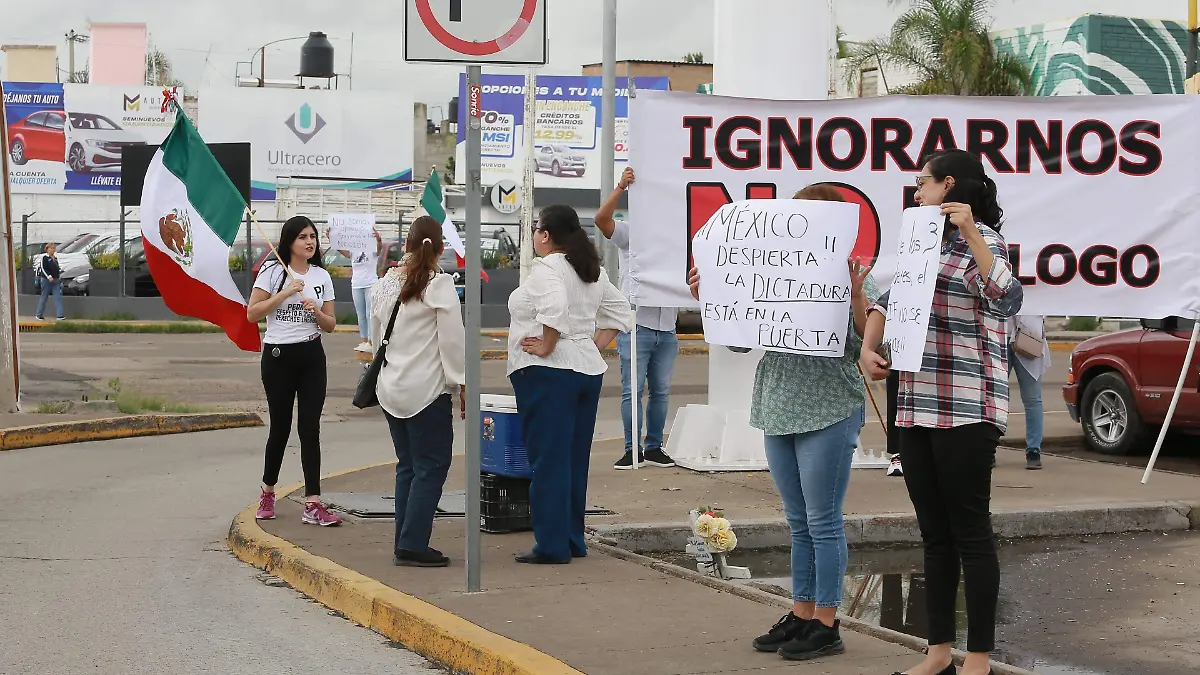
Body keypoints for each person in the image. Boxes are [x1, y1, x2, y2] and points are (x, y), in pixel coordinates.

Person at [687, 185, 879, 662]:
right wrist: (711, 294)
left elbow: (865, 346)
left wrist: (856, 293)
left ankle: (827, 622)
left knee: (823, 520)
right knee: (798, 521)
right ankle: (802, 611)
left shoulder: (855, 275)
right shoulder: (769, 272)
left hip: (829, 405)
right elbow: (737, 339)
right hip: (778, 404)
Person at [861, 149, 1023, 675]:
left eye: (922, 183)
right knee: (933, 533)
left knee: (970, 531)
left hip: (966, 405)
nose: (915, 192)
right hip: (913, 406)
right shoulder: (919, 241)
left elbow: (1006, 295)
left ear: (949, 185)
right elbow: (888, 298)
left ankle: (977, 657)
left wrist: (973, 233)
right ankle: (937, 653)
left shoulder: (989, 243)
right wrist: (869, 344)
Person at [506, 205, 634, 563]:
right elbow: (622, 314)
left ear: (546, 235)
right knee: (574, 460)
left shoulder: (547, 268)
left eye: (536, 229)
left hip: (548, 374)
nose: (534, 235)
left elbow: (555, 306)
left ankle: (550, 545)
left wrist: (548, 344)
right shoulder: (590, 270)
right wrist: (590, 344)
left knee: (548, 461)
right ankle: (571, 540)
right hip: (585, 372)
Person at [371, 216, 466, 568]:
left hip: (391, 387)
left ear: (406, 245)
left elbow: (376, 336)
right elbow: (453, 343)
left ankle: (404, 539)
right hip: (426, 391)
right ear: (440, 248)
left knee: (408, 466)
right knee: (432, 465)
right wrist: (461, 384)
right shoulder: (439, 286)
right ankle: (412, 544)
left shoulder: (386, 284)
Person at [247, 215, 341, 527]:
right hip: (278, 357)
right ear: (290, 242)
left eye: (312, 236)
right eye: (303, 237)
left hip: (311, 356)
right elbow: (252, 313)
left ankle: (313, 503)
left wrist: (317, 313)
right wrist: (285, 293)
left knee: (309, 428)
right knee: (281, 427)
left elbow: (331, 325)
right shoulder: (273, 271)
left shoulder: (321, 276)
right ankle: (267, 492)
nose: (310, 242)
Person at [594, 167, 679, 470]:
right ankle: (632, 449)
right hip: (636, 322)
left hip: (667, 326)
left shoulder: (676, 236)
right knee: (633, 389)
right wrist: (620, 188)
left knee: (661, 391)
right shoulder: (633, 231)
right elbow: (601, 221)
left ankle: (653, 447)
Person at [1008, 315, 1049, 470]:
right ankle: (990, 450)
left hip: (1028, 334)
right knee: (993, 399)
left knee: (1032, 399)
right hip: (997, 333)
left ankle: (1033, 450)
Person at [341, 228, 383, 353]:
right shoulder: (354, 250)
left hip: (370, 283)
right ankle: (363, 341)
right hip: (356, 284)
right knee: (361, 314)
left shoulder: (372, 249)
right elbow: (344, 252)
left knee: (370, 313)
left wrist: (378, 239)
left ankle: (371, 341)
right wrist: (333, 239)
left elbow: (379, 249)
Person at [35, 243, 64, 321]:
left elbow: (57, 269)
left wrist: (59, 277)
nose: (52, 250)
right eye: (51, 248)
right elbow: (43, 268)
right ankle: (39, 314)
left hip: (56, 280)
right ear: (47, 249)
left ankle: (60, 315)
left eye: (54, 248)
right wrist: (49, 276)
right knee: (44, 297)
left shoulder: (55, 258)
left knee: (57, 297)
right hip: (46, 280)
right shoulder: (44, 258)